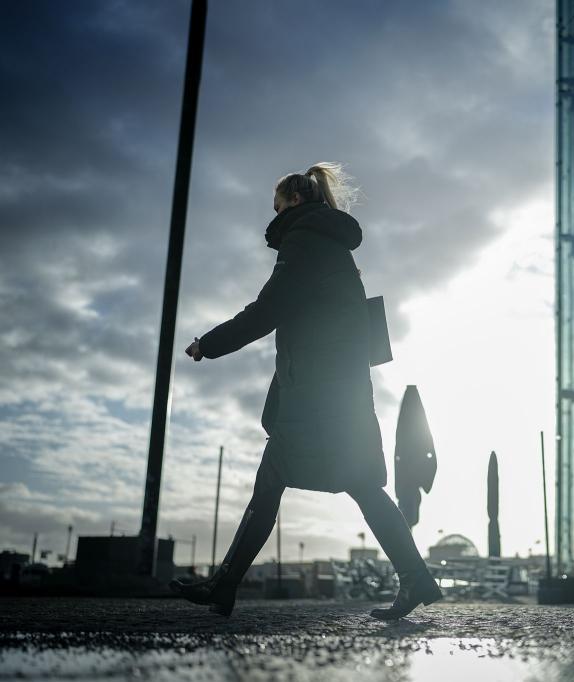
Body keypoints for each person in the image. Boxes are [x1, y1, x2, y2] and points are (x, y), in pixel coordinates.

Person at [169, 162, 441, 620]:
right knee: (362, 485)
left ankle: (224, 586)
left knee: (274, 478)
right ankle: (416, 578)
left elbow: (268, 309)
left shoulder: (304, 240)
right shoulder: (334, 245)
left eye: (275, 206)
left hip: (317, 395)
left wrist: (209, 344)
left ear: (293, 202)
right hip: (344, 392)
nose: (272, 216)